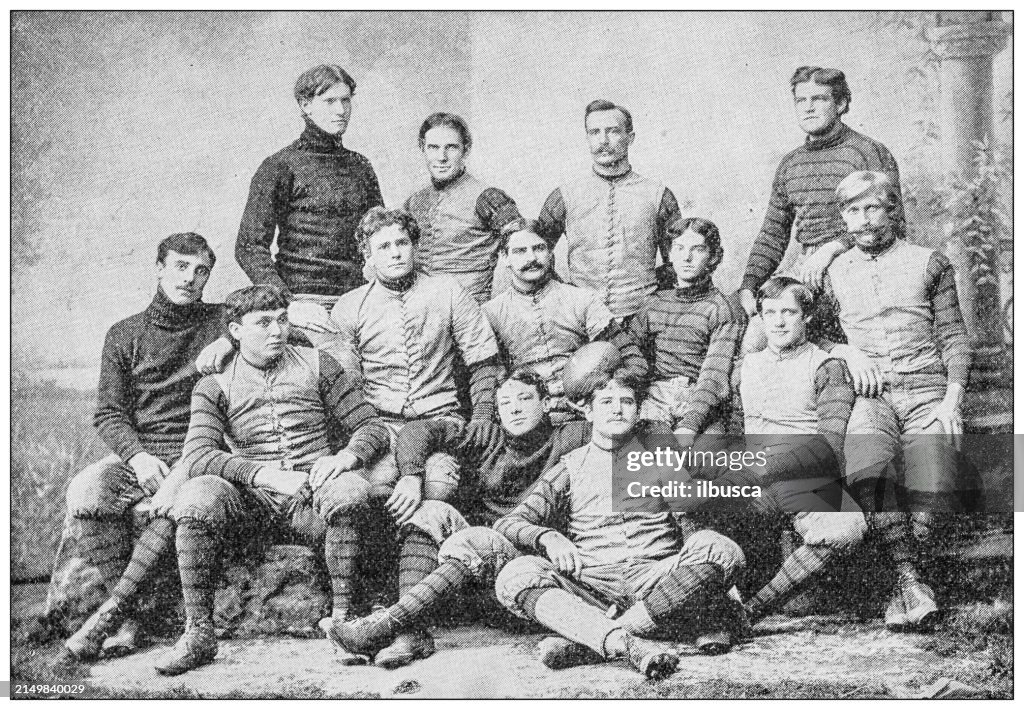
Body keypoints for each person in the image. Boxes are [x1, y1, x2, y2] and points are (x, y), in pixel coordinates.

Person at [148, 285, 391, 675]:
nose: (276, 331)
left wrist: (346, 456)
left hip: (311, 494)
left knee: (351, 489)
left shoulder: (319, 364)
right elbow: (197, 455)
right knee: (195, 497)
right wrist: (265, 475)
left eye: (282, 320)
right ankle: (198, 633)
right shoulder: (215, 383)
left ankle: (345, 624)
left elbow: (370, 427)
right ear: (235, 330)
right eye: (263, 323)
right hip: (251, 499)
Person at [326, 369, 592, 668]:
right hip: (475, 564)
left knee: (480, 538)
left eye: (524, 399)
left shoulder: (573, 435)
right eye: (504, 403)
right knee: (431, 511)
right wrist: (412, 477)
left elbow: (633, 431)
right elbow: (417, 431)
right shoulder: (488, 436)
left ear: (545, 403)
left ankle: (386, 626)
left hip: (531, 563)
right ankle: (410, 633)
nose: (514, 409)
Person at [492, 370, 748, 678]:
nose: (617, 409)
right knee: (514, 575)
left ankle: (597, 640)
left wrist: (719, 584)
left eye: (626, 402)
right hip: (592, 585)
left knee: (720, 549)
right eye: (606, 402)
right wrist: (547, 537)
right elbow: (509, 522)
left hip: (656, 578)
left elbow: (692, 526)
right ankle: (630, 640)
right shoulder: (570, 466)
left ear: (638, 410)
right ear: (587, 410)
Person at [45, 233, 223, 659]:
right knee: (87, 493)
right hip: (144, 451)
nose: (190, 279)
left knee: (176, 502)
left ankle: (118, 613)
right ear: (159, 267)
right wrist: (138, 457)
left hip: (204, 447)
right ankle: (132, 616)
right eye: (180, 266)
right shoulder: (125, 334)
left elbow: (281, 333)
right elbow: (109, 413)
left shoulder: (223, 321)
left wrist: (231, 340)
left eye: (200, 271)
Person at [823, 170, 971, 627]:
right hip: (875, 396)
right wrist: (846, 349)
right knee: (866, 461)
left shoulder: (930, 262)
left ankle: (906, 585)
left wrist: (952, 401)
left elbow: (953, 336)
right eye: (853, 210)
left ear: (892, 210)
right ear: (843, 219)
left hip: (928, 390)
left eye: (873, 207)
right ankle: (910, 582)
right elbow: (818, 334)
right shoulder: (833, 270)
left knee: (934, 469)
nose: (864, 220)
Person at [738, 66, 904, 352]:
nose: (809, 108)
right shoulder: (790, 164)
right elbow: (773, 233)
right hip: (808, 268)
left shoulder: (868, 152)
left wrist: (833, 249)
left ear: (841, 104)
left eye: (819, 99)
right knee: (754, 338)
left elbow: (891, 222)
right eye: (801, 101)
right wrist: (749, 285)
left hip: (861, 260)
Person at [735, 277, 868, 623]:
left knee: (846, 526)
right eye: (770, 313)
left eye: (789, 312)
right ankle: (720, 609)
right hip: (750, 476)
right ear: (760, 318)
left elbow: (829, 446)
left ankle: (752, 611)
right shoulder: (746, 366)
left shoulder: (827, 366)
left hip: (801, 477)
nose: (778, 322)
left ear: (807, 317)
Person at [236, 64, 384, 355]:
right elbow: (249, 246)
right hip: (304, 302)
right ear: (306, 105)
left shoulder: (361, 166)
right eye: (329, 101)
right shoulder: (280, 166)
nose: (341, 110)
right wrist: (289, 303)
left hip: (360, 299)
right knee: (339, 372)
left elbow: (380, 234)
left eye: (346, 100)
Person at [483, 219, 647, 420]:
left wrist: (607, 395)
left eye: (539, 248)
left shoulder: (582, 299)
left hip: (583, 410)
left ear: (550, 253)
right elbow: (488, 378)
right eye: (520, 251)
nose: (532, 257)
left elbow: (631, 358)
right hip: (526, 414)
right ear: (504, 257)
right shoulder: (490, 313)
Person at [536, 99, 682, 323]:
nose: (603, 141)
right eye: (594, 132)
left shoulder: (659, 195)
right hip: (581, 318)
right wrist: (566, 297)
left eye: (613, 132)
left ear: (630, 138)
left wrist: (652, 304)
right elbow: (536, 255)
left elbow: (677, 262)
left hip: (642, 317)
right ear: (587, 139)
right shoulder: (563, 196)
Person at [629, 217, 746, 442]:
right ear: (670, 254)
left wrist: (690, 425)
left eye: (698, 249)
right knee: (660, 457)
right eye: (679, 248)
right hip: (655, 401)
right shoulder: (653, 303)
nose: (687, 257)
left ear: (713, 256)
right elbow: (630, 352)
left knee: (706, 463)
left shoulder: (721, 308)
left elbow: (715, 373)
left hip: (700, 401)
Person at [403, 112, 523, 303]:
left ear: (465, 150)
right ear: (422, 148)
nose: (441, 157)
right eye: (433, 148)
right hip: (420, 310)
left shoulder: (489, 197)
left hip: (470, 311)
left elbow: (526, 246)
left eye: (451, 148)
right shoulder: (413, 202)